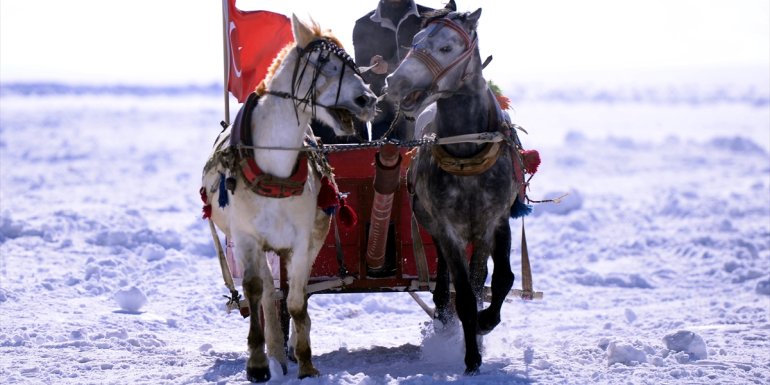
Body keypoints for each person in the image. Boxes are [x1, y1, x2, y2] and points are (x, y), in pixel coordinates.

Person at [352, 0, 434, 141]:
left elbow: (437, 62)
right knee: (386, 161)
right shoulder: (363, 25)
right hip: (383, 118)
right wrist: (372, 69)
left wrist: (389, 67)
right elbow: (361, 75)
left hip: (425, 112)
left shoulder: (432, 19)